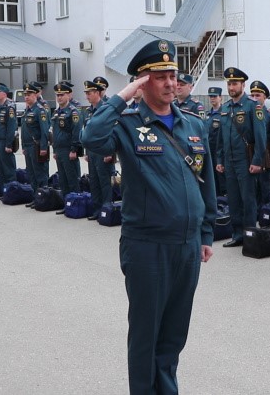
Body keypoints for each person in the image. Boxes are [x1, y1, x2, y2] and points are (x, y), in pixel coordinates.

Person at [80, 39, 215, 395]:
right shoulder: (125, 124)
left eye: (173, 75)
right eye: (159, 77)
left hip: (186, 247)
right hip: (147, 247)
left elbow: (206, 184)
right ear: (142, 82)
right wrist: (122, 97)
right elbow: (91, 138)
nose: (170, 82)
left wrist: (205, 233)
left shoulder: (194, 125)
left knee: (173, 337)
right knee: (146, 337)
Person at [215, 67, 266, 247]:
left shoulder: (253, 106)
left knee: (248, 199)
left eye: (235, 83)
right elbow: (221, 138)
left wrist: (257, 161)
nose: (231, 86)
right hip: (229, 161)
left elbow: (260, 137)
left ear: (243, 85)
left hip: (246, 161)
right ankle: (237, 235)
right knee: (234, 200)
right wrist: (220, 160)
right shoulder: (225, 107)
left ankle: (250, 234)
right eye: (229, 83)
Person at [83, 78, 116, 220]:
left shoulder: (105, 109)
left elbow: (112, 131)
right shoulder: (88, 110)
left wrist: (110, 153)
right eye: (86, 93)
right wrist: (86, 151)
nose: (87, 96)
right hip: (92, 152)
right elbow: (87, 133)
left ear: (97, 93)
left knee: (105, 183)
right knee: (94, 182)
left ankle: (107, 210)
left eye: (89, 93)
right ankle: (97, 210)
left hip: (104, 152)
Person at [248, 80, 270, 207]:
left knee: (264, 185)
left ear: (265, 97)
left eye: (258, 95)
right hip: (250, 153)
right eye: (252, 95)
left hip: (265, 155)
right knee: (251, 187)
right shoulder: (248, 113)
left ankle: (266, 212)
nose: (254, 98)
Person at [51, 82, 83, 198]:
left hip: (68, 150)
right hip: (59, 150)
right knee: (63, 180)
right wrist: (54, 150)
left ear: (68, 95)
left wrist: (74, 149)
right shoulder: (56, 112)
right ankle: (67, 204)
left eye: (62, 95)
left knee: (72, 179)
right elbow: (54, 132)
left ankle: (75, 203)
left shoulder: (73, 112)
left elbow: (76, 132)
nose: (59, 97)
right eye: (58, 95)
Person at [21, 86, 50, 192]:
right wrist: (23, 146)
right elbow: (24, 130)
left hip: (36, 145)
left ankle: (43, 196)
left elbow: (44, 130)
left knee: (39, 173)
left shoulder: (40, 110)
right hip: (28, 145)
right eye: (25, 95)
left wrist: (43, 147)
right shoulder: (27, 110)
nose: (26, 97)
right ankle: (35, 197)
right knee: (31, 173)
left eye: (29, 95)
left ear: (35, 96)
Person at [0, 82, 18, 185]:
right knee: (0, 168)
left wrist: (8, 144)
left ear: (4, 94)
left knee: (8, 168)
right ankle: (4, 191)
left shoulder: (9, 107)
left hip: (4, 141)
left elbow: (11, 127)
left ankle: (12, 190)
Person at [205, 87, 226, 196]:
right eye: (211, 96)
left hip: (219, 153)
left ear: (220, 97)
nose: (212, 98)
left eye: (215, 96)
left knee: (221, 182)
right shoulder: (207, 114)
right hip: (209, 152)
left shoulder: (224, 114)